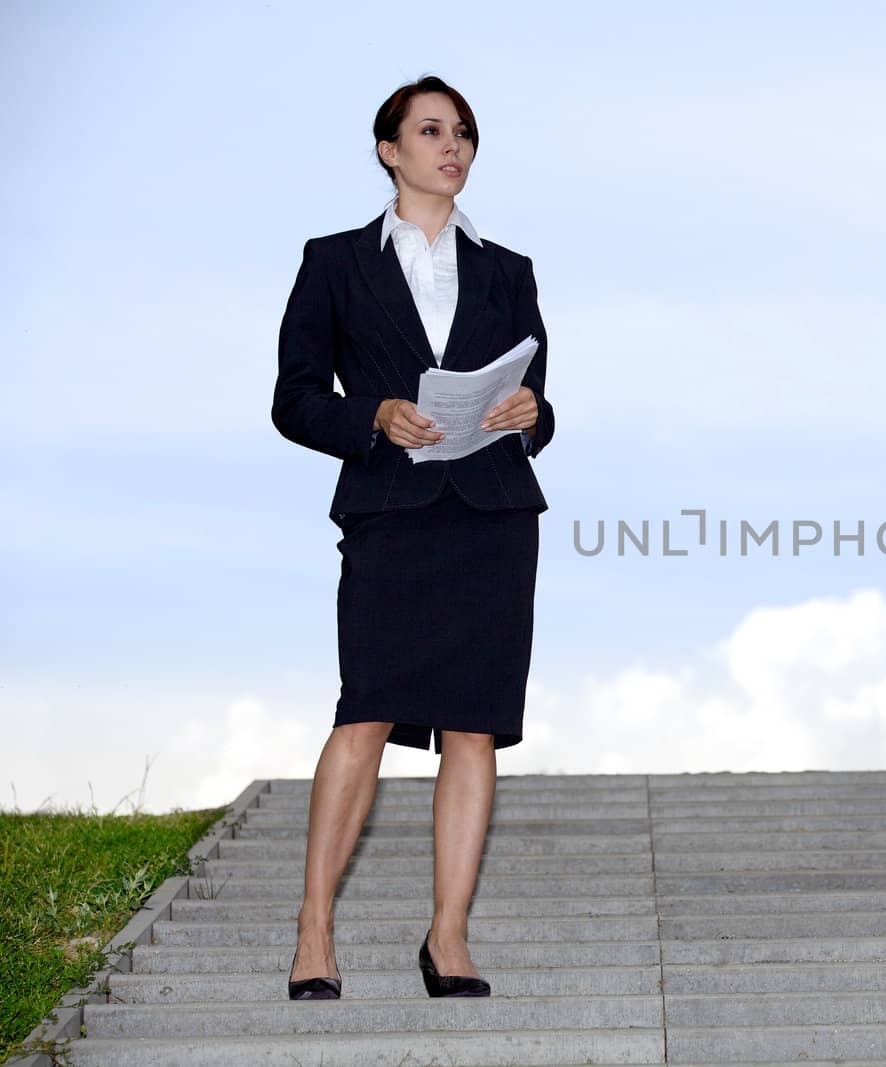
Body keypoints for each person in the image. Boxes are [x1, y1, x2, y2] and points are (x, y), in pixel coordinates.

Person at [271, 74, 555, 1000]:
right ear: (389, 150)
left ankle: (449, 936)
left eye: (465, 133)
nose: (454, 147)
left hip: (493, 517)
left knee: (475, 728)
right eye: (432, 131)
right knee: (365, 713)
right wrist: (375, 414)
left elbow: (540, 404)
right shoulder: (334, 262)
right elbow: (295, 399)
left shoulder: (510, 270)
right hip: (391, 512)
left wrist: (529, 411)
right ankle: (315, 929)